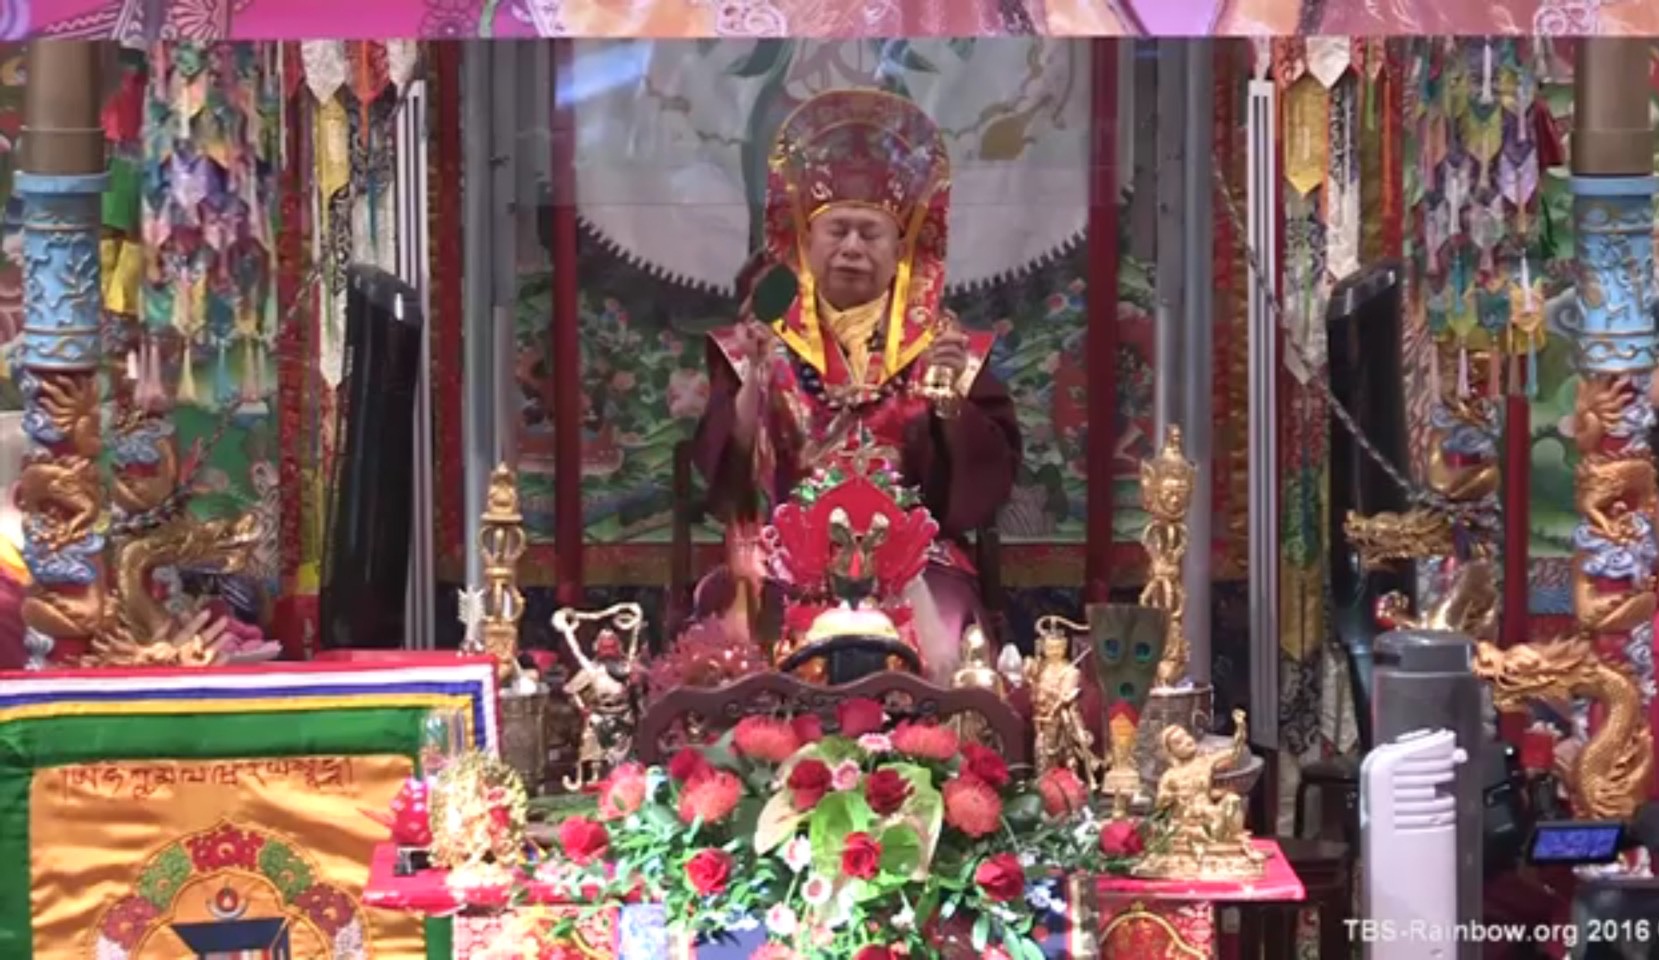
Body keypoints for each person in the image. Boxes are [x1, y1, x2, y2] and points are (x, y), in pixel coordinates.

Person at [692, 89, 1021, 683]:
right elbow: (727, 477)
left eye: (870, 234)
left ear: (901, 250)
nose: (851, 248)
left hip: (916, 558)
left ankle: (936, 737)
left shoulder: (947, 348)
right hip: (784, 556)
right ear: (805, 242)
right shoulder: (756, 342)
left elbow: (978, 487)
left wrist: (949, 406)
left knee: (950, 634)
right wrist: (754, 387)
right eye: (837, 230)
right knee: (739, 638)